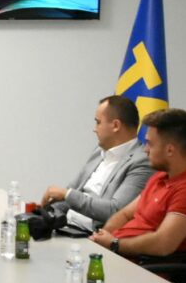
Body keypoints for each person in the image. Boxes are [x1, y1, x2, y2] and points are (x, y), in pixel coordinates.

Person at [91, 108, 186, 258]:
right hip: (117, 254)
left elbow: (163, 244)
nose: (145, 150)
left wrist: (114, 244)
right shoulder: (160, 177)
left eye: (150, 144)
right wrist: (102, 238)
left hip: (142, 266)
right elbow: (125, 214)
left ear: (170, 150)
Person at [40, 95, 153, 232]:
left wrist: (67, 195)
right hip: (67, 226)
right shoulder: (99, 151)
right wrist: (47, 212)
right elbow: (73, 190)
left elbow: (115, 211)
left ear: (116, 125)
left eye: (98, 122)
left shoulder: (142, 162)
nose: (94, 129)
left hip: (92, 236)